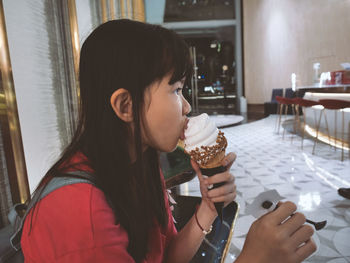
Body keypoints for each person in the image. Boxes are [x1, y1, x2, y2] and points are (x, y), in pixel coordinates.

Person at [21, 19, 316, 263]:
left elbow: (164, 257)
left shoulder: (138, 164)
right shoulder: (80, 213)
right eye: (176, 90)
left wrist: (208, 208)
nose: (186, 107)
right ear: (125, 106)